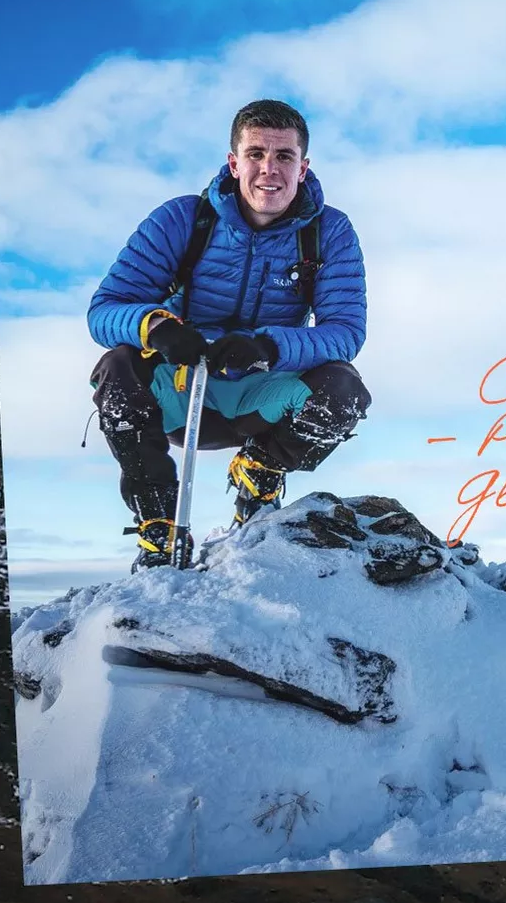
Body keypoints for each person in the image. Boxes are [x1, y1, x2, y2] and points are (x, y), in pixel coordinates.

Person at [86, 99, 372, 570]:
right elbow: (105, 310)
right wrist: (156, 329)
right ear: (233, 162)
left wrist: (267, 346)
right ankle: (159, 527)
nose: (269, 170)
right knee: (117, 368)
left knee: (343, 390)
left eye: (284, 157)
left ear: (303, 168)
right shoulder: (182, 220)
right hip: (180, 388)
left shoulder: (329, 232)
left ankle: (259, 472)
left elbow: (345, 332)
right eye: (256, 154)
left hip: (260, 392)